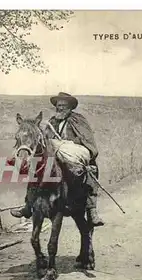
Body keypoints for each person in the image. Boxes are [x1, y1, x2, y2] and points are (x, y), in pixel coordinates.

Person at [10, 92, 105, 227]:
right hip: (54, 152)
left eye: (63, 105)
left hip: (73, 155)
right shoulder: (52, 122)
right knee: (35, 170)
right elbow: (46, 138)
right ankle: (28, 205)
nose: (59, 108)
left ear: (70, 107)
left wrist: (68, 144)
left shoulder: (78, 120)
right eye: (58, 105)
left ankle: (91, 210)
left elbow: (86, 139)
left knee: (87, 173)